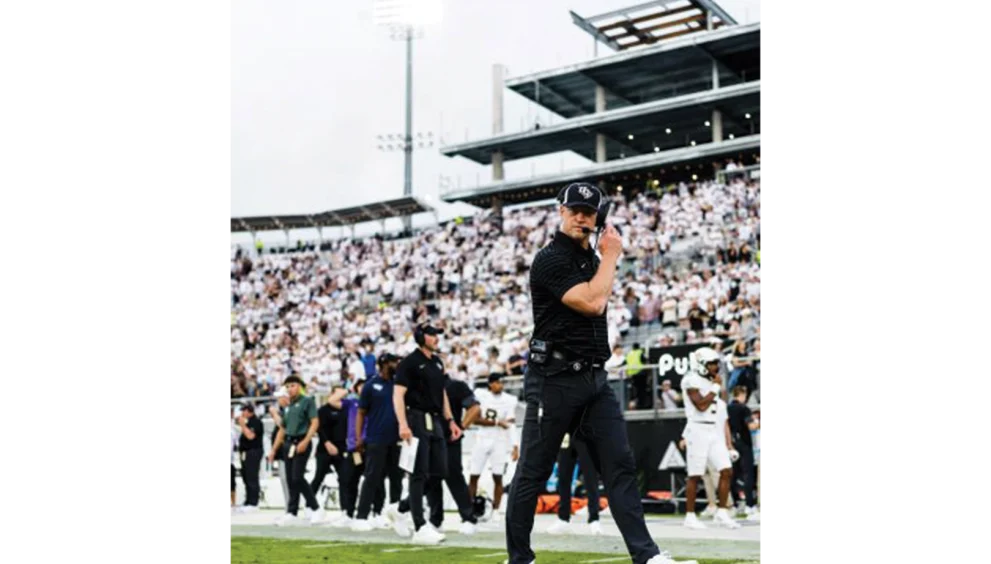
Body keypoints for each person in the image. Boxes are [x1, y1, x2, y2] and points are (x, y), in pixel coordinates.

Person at [505, 182, 683, 564]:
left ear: (598, 218)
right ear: (561, 211)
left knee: (620, 467)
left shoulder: (592, 257)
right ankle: (519, 559)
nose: (581, 217)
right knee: (532, 473)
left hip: (593, 380)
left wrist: (604, 257)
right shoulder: (550, 258)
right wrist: (612, 256)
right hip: (552, 380)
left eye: (588, 212)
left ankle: (647, 556)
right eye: (575, 210)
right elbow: (592, 302)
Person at [393, 322, 463, 545]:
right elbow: (398, 395)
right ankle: (420, 526)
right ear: (421, 337)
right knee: (418, 472)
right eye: (432, 335)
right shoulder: (409, 363)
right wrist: (403, 424)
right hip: (416, 417)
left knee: (440, 471)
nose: (436, 338)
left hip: (435, 420)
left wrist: (450, 419)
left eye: (437, 335)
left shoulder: (437, 362)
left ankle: (401, 508)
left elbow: (441, 393)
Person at [389, 369, 482, 537]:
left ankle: (467, 518)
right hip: (428, 437)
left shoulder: (455, 386)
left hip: (448, 439)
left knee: (452, 476)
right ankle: (434, 519)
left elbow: (475, 408)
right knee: (430, 478)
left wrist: (460, 428)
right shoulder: (421, 388)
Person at [679, 347, 740, 529]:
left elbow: (717, 408)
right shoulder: (690, 380)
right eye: (712, 363)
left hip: (714, 429)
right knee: (695, 475)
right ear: (701, 364)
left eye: (716, 363)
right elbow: (701, 406)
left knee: (726, 470)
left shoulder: (711, 381)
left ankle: (722, 512)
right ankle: (689, 516)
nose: (715, 367)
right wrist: (715, 387)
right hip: (697, 429)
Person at [352, 353, 404, 531]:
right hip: (376, 438)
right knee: (372, 477)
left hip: (396, 438)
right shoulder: (370, 385)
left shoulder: (399, 384)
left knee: (396, 478)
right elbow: (361, 412)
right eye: (393, 361)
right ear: (384, 364)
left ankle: (396, 515)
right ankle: (361, 516)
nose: (397, 364)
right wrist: (359, 437)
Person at [269, 374, 325, 525]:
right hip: (288, 443)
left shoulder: (307, 401)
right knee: (290, 479)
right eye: (287, 386)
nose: (290, 389)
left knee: (297, 477)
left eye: (292, 385)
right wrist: (274, 450)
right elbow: (283, 428)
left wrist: (306, 440)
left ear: (299, 386)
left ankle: (315, 508)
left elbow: (315, 422)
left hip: (301, 441)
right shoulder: (289, 407)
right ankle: (292, 512)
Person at [469, 373, 519, 521]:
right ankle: (468, 509)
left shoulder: (510, 400)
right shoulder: (480, 395)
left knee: (498, 476)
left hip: (500, 441)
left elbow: (510, 425)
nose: (500, 385)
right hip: (482, 438)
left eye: (501, 382)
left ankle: (496, 510)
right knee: (473, 475)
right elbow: (475, 420)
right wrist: (497, 422)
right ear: (490, 384)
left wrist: (515, 445)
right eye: (497, 383)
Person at [546, 432, 602, 535]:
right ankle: (563, 518)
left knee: (590, 476)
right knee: (563, 476)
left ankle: (594, 518)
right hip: (567, 433)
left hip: (584, 431)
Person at [310, 386, 348, 512]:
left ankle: (345, 509)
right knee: (318, 477)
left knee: (344, 478)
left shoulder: (345, 409)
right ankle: (310, 506)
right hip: (324, 449)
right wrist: (327, 443)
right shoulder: (322, 410)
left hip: (341, 448)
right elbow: (319, 429)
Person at [727, 385, 760, 517]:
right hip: (745, 444)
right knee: (748, 474)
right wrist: (758, 422)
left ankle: (735, 504)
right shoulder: (744, 408)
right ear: (742, 394)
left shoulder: (727, 408)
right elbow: (751, 426)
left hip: (733, 444)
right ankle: (749, 505)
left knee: (734, 475)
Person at [237, 403, 265, 511]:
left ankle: (254, 502)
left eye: (244, 411)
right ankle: (248, 500)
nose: (242, 413)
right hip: (245, 453)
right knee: (246, 477)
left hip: (253, 452)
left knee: (252, 476)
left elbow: (250, 436)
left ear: (249, 411)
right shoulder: (248, 422)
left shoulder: (255, 422)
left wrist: (243, 425)